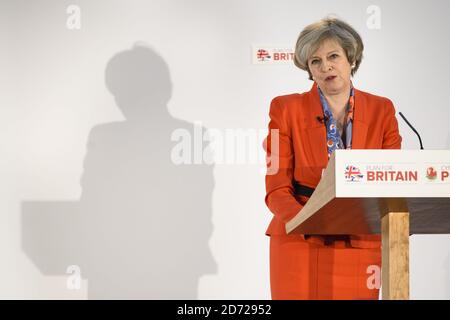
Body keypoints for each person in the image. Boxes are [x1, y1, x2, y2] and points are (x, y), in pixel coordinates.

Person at [263, 17, 402, 300]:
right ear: (308, 69)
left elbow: (393, 181)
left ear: (350, 58)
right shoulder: (284, 109)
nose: (325, 66)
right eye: (315, 61)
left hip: (360, 242)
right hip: (300, 239)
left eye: (333, 56)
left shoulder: (382, 110)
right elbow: (276, 190)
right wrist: (310, 219)